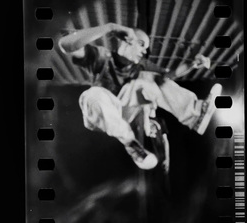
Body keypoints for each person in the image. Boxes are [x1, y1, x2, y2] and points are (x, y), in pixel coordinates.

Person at [58, 23, 222, 170]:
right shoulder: (101, 56)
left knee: (151, 79)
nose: (144, 51)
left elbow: (168, 76)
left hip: (123, 113)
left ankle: (195, 114)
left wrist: (192, 64)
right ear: (127, 40)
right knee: (92, 94)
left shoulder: (141, 65)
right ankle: (130, 144)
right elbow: (66, 45)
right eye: (141, 44)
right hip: (98, 113)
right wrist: (110, 28)